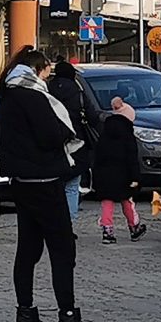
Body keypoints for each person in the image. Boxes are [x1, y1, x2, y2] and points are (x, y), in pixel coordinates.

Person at [0, 45, 102, 322]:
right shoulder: (34, 97)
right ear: (37, 70)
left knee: (28, 249)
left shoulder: (7, 95)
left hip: (21, 182)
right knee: (62, 248)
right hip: (44, 180)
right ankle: (68, 319)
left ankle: (25, 314)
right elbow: (49, 135)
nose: (48, 77)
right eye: (46, 71)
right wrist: (65, 135)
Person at [91, 95, 147, 242]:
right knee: (127, 201)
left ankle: (107, 231)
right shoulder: (128, 136)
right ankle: (134, 227)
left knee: (107, 202)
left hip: (104, 174)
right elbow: (132, 159)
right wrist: (135, 177)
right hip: (124, 175)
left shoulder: (104, 133)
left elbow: (97, 156)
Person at [48, 52, 93, 217]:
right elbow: (92, 117)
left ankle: (55, 219)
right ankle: (69, 223)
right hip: (76, 143)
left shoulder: (46, 92)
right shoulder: (79, 93)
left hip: (52, 143)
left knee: (54, 185)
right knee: (72, 186)